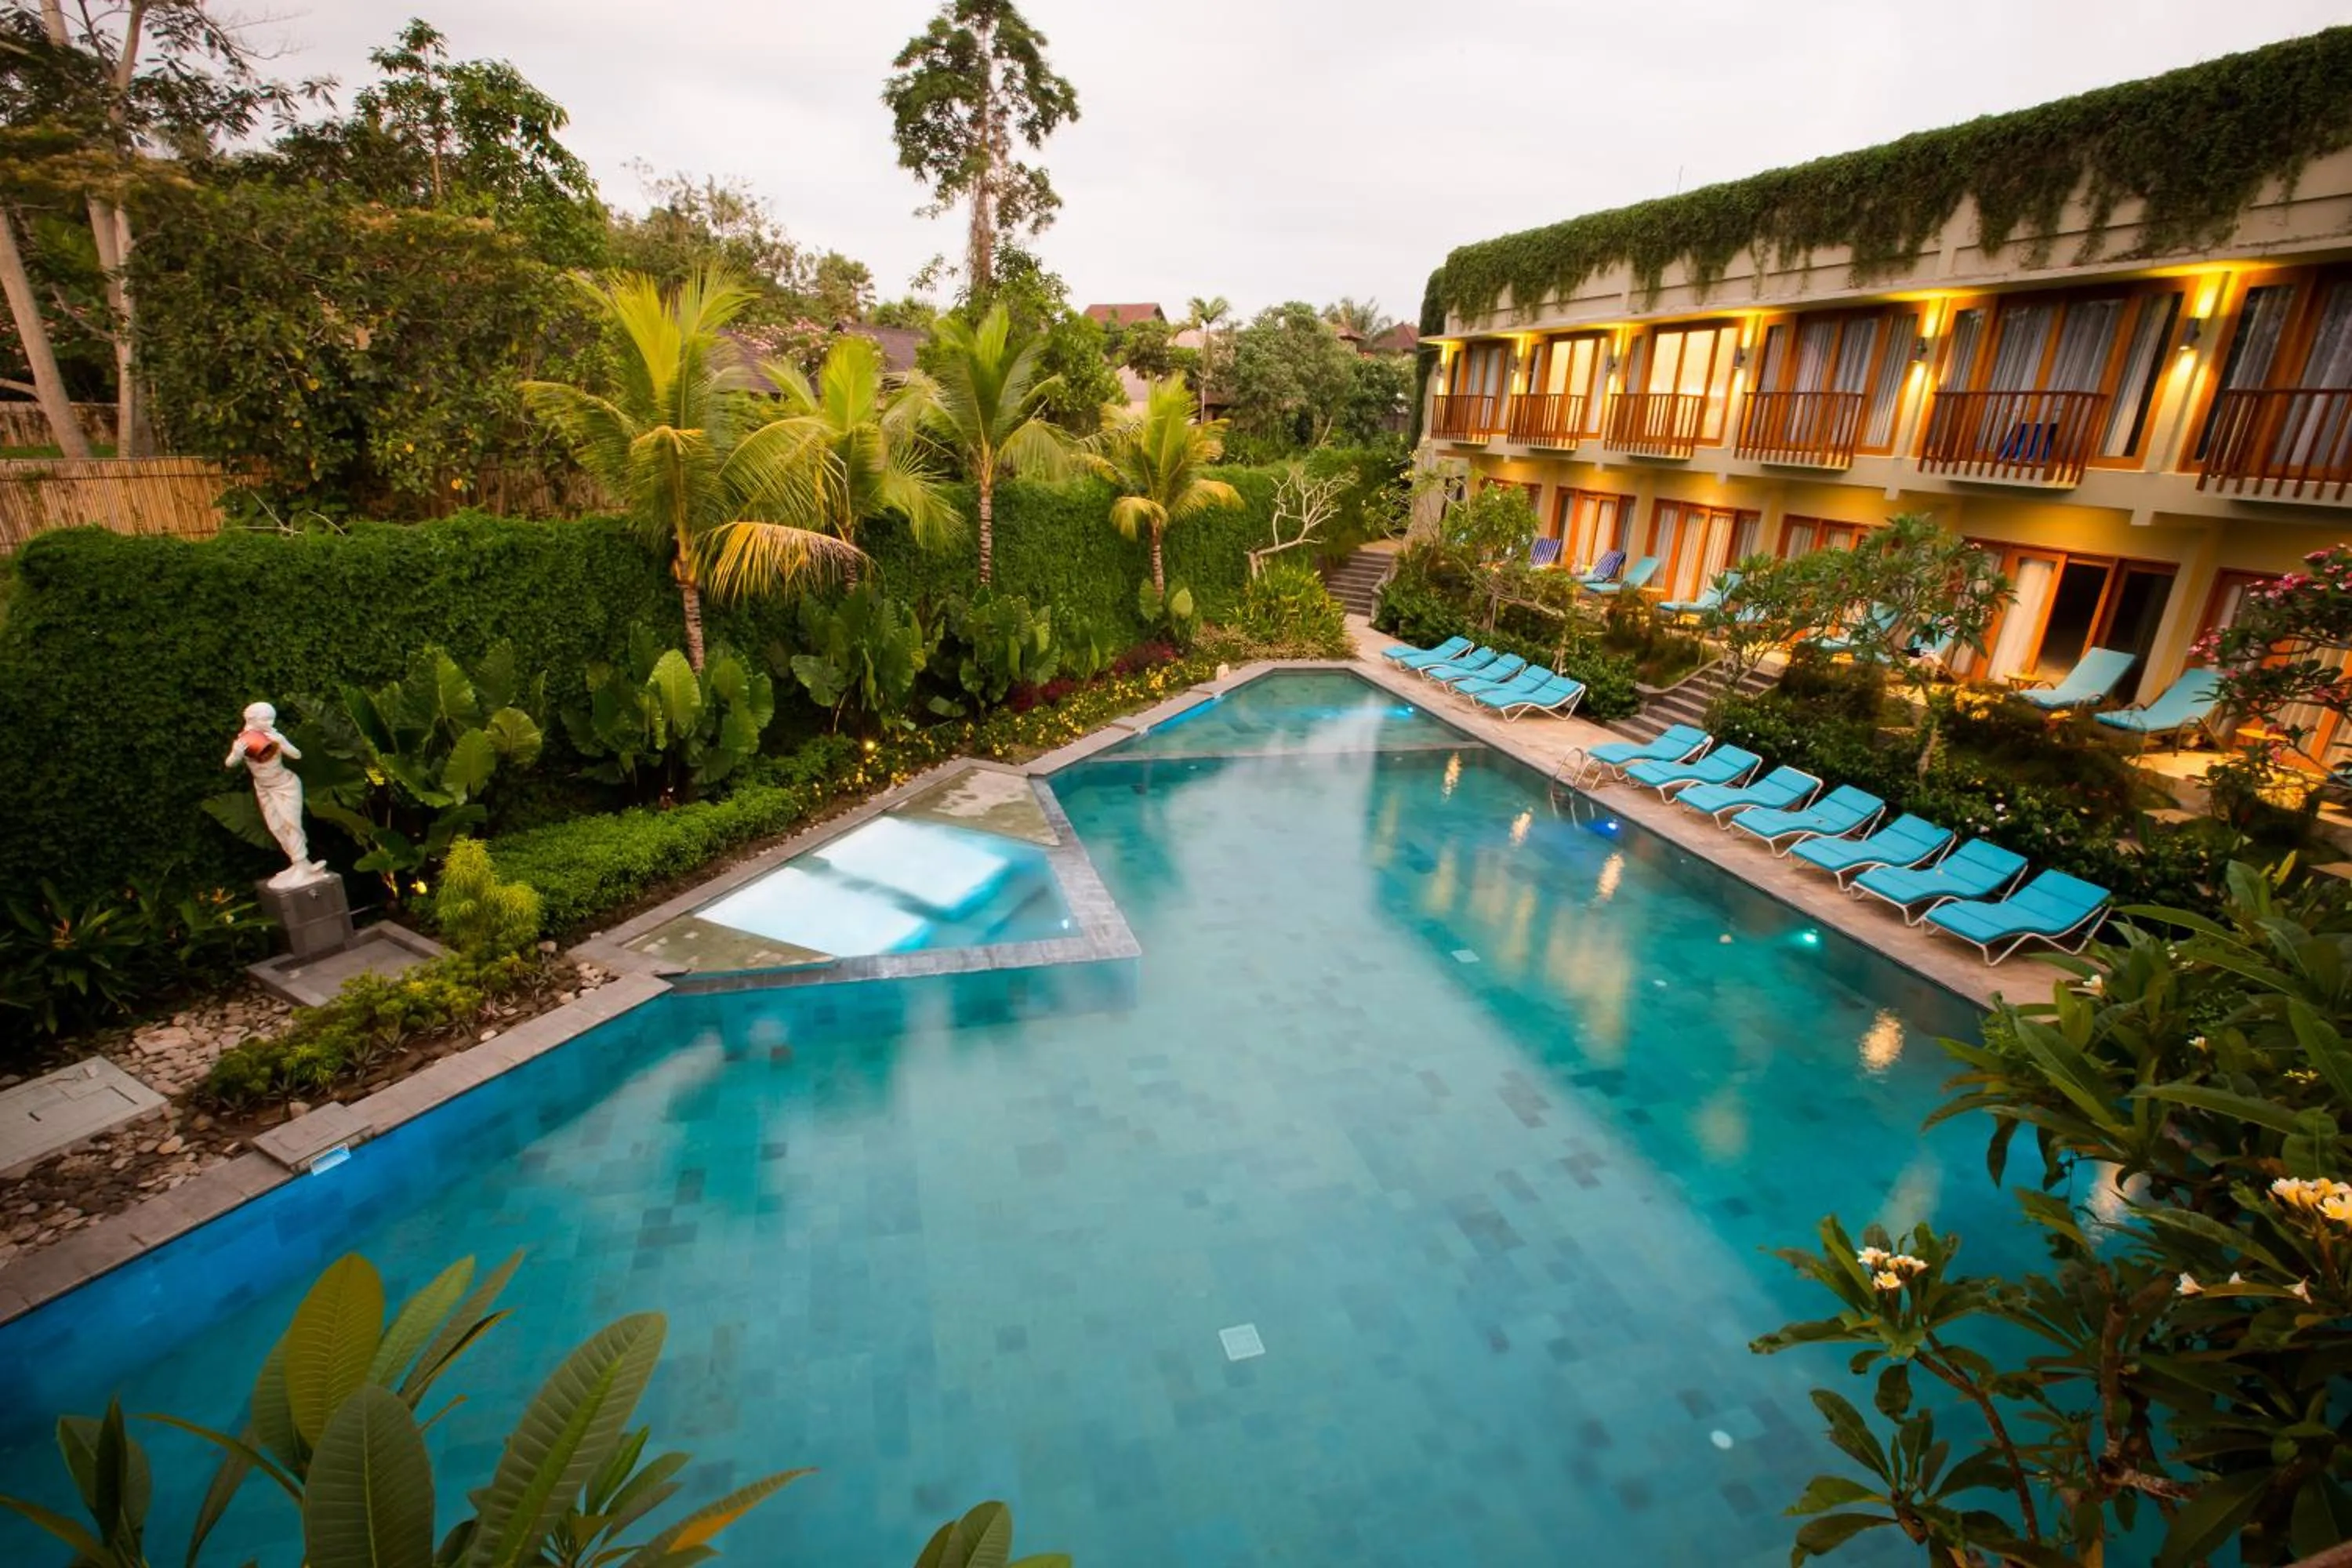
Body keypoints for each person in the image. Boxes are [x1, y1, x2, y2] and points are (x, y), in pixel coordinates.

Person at [225, 701, 325, 887]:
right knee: (277, 827)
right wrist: (237, 754)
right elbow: (229, 764)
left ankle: (302, 865)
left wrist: (282, 742)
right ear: (251, 719)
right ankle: (299, 865)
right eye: (266, 719)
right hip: (264, 788)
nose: (271, 722)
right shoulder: (243, 740)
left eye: (272, 719)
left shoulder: (273, 736)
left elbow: (296, 755)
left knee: (291, 825)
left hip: (285, 786)